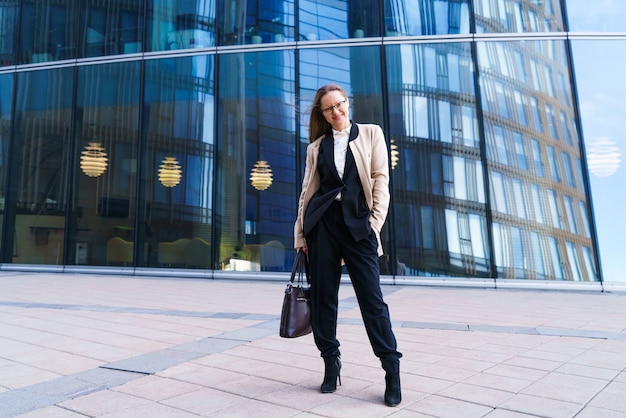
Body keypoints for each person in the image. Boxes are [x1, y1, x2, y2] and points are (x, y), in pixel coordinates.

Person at [294, 84, 402, 407]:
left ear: (347, 103)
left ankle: (391, 368)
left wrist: (374, 224)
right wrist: (301, 236)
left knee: (372, 301)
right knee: (324, 298)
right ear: (323, 114)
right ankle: (331, 361)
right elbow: (306, 193)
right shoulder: (316, 147)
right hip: (323, 227)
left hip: (360, 228)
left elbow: (381, 179)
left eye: (340, 104)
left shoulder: (371, 134)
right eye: (329, 108)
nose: (336, 111)